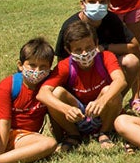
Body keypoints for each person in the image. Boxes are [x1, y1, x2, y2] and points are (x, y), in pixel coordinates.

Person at [56, 0, 140, 115]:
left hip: (106, 68)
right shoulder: (69, 26)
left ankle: (115, 101)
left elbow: (134, 47)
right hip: (80, 74)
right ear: (82, 4)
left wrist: (105, 48)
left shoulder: (112, 20)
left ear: (108, 3)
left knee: (132, 61)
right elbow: (61, 60)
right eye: (92, 2)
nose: (97, 5)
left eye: (102, 2)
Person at [38, 21, 128, 150]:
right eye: (78, 50)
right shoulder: (65, 66)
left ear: (96, 44)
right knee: (56, 93)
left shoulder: (106, 57)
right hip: (77, 114)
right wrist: (65, 109)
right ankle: (73, 134)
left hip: (101, 112)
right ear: (68, 50)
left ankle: (104, 132)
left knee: (110, 90)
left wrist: (102, 101)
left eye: (89, 48)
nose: (85, 53)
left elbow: (120, 80)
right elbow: (43, 93)